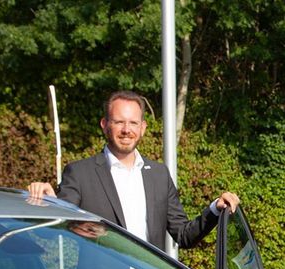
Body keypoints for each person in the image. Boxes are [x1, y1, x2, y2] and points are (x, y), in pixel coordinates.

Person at [28, 90, 239, 250]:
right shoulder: (80, 173)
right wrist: (49, 203)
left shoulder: (159, 175)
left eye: (133, 123)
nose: (126, 130)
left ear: (143, 127)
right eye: (119, 122)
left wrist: (215, 209)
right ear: (105, 124)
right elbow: (60, 227)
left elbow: (184, 236)